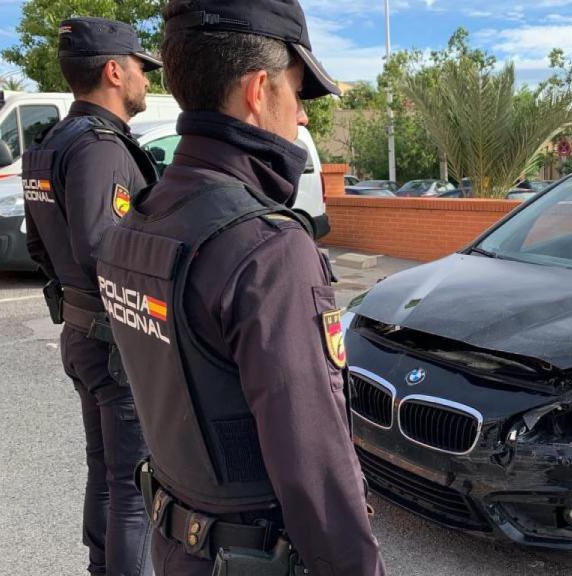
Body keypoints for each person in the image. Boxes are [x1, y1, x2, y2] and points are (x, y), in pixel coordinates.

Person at [94, 1, 386, 575]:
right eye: (298, 93)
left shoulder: (138, 223)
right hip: (251, 557)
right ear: (258, 91)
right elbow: (317, 473)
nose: (302, 117)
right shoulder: (266, 248)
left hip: (177, 545)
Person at [22, 17, 161, 576]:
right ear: (113, 71)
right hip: (115, 342)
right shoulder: (102, 147)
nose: (146, 80)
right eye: (140, 69)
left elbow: (39, 247)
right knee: (135, 489)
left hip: (81, 335)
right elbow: (107, 251)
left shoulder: (51, 143)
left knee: (105, 472)